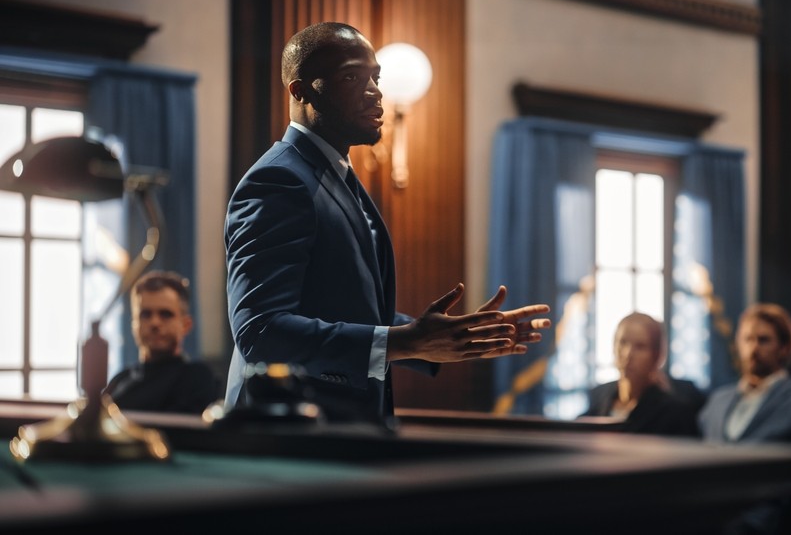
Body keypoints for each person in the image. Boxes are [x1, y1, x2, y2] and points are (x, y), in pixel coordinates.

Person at [224, 22, 551, 424]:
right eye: (351, 77)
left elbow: (343, 307)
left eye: (375, 78)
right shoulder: (278, 180)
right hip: (287, 430)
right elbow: (261, 331)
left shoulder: (335, 175)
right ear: (300, 91)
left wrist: (446, 337)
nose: (376, 91)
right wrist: (403, 341)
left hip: (343, 428)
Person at [698, 303, 791, 535]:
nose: (753, 348)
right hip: (707, 510)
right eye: (747, 339)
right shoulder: (717, 400)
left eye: (763, 340)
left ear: (784, 347)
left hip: (763, 515)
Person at [103, 270, 219, 414]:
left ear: (186, 325)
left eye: (165, 314)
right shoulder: (119, 381)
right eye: (145, 314)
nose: (155, 323)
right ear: (134, 324)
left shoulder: (196, 378)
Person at [581, 312, 703, 436]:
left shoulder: (675, 413)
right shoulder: (598, 398)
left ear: (657, 355)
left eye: (640, 347)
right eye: (622, 342)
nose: (627, 354)